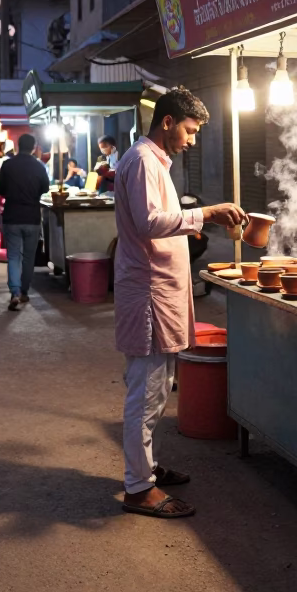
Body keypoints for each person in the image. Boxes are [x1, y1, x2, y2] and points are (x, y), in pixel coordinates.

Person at [114, 87, 245, 519]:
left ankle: (146, 469)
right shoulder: (141, 161)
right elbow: (149, 222)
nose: (192, 139)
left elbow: (159, 219)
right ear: (168, 122)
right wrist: (205, 214)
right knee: (147, 394)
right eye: (189, 130)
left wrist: (192, 224)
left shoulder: (156, 163)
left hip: (162, 292)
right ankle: (138, 488)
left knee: (159, 390)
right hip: (149, 294)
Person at [0, 133, 49, 312]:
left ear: (18, 146)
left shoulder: (8, 165)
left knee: (13, 256)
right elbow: (45, 188)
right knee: (28, 257)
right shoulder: (39, 166)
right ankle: (24, 291)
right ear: (33, 147)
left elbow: (0, 189)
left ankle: (15, 292)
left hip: (12, 216)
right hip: (32, 217)